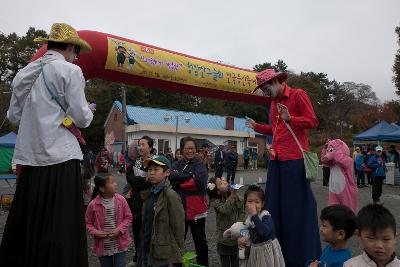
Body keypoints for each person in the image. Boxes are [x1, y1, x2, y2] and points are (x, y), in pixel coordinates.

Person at [0, 23, 94, 266]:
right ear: (71, 47)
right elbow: (83, 118)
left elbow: (13, 117)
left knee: (29, 222)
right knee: (60, 225)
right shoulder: (70, 71)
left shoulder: (24, 72)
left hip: (30, 157)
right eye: (77, 52)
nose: (76, 56)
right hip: (61, 156)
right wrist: (88, 111)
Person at [246, 68, 321, 266]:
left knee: (295, 207)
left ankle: (300, 253)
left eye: (266, 87)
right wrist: (257, 127)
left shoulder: (298, 95)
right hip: (276, 159)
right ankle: (275, 250)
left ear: (278, 81)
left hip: (295, 159)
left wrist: (292, 119)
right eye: (262, 89)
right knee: (274, 205)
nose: (265, 91)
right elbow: (275, 129)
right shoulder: (272, 104)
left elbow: (313, 121)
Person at [170, 136, 209, 266]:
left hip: (197, 210)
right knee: (178, 240)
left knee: (200, 241)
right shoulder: (176, 164)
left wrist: (180, 183)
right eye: (187, 148)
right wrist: (189, 177)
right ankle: (177, 264)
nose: (190, 151)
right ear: (182, 150)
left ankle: (203, 264)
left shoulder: (200, 164)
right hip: (179, 208)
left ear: (196, 150)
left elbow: (201, 182)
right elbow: (171, 177)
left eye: (192, 148)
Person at [140, 155, 185, 267]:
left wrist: (177, 253)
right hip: (146, 246)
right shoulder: (149, 193)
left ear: (167, 173)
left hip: (162, 251)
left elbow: (178, 226)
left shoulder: (171, 195)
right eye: (150, 170)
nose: (151, 173)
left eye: (156, 169)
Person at [85, 175, 133, 267]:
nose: (116, 184)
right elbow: (88, 223)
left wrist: (119, 229)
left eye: (115, 181)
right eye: (112, 182)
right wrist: (95, 232)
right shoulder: (93, 204)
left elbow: (128, 217)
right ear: (102, 189)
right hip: (103, 246)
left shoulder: (121, 200)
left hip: (120, 244)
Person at [238, 185, 285, 267]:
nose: (253, 205)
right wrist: (243, 240)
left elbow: (265, 233)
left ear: (262, 204)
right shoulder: (249, 219)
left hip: (267, 253)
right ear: (245, 203)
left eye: (257, 202)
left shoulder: (265, 216)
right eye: (250, 201)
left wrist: (254, 216)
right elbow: (249, 235)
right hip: (255, 253)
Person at [125, 136, 154, 265]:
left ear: (150, 147)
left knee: (150, 230)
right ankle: (138, 257)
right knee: (137, 230)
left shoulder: (155, 162)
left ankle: (148, 258)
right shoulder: (133, 163)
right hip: (135, 201)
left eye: (143, 144)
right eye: (139, 145)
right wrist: (145, 180)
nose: (140, 147)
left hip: (150, 199)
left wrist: (140, 182)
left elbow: (153, 182)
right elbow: (130, 179)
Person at [208, 177, 245, 267]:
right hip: (223, 238)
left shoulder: (234, 195)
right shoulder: (215, 201)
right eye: (221, 183)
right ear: (217, 190)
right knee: (225, 263)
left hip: (235, 236)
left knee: (235, 261)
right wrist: (232, 195)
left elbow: (242, 211)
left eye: (224, 180)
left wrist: (239, 225)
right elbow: (225, 210)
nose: (225, 182)